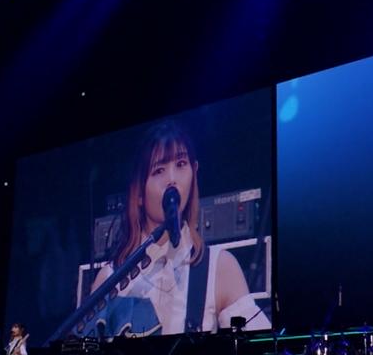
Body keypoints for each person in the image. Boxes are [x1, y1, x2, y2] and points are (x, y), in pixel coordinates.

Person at [88, 121, 271, 337]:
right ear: (138, 194)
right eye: (159, 170)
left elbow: (258, 346)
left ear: (194, 173)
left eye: (181, 164)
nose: (172, 179)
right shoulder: (110, 279)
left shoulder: (219, 267)